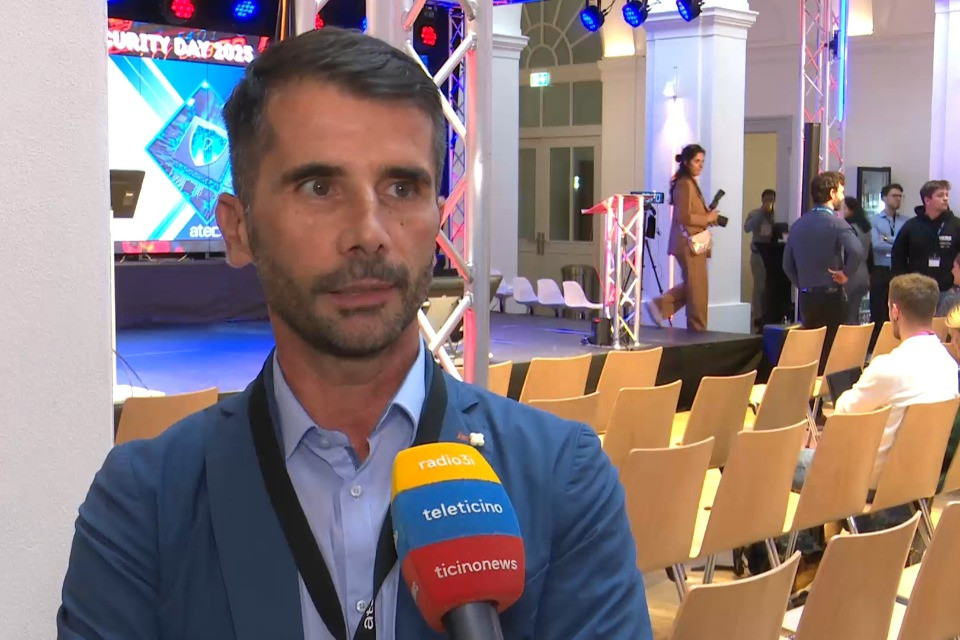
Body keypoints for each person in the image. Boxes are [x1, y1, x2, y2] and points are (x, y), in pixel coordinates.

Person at [58, 29, 653, 640]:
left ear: (437, 215)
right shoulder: (145, 503)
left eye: (401, 188)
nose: (369, 232)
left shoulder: (561, 477)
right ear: (238, 229)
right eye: (319, 188)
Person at [783, 171, 864, 367]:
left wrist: (802, 283)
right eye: (841, 192)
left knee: (812, 350)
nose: (842, 197)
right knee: (833, 352)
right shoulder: (837, 224)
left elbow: (787, 265)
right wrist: (845, 274)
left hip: (807, 297)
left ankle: (812, 384)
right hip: (832, 296)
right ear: (832, 193)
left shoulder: (798, 225)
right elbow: (857, 251)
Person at [644, 144, 721, 331]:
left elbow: (689, 215)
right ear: (686, 162)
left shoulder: (689, 183)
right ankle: (696, 329)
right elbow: (684, 217)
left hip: (691, 243)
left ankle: (661, 306)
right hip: (688, 244)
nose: (700, 165)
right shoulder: (685, 184)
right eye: (697, 161)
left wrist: (708, 218)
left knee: (694, 287)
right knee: (697, 289)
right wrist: (707, 218)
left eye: (702, 161)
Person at [892, 180, 960, 315]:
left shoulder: (956, 225)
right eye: (940, 195)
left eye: (947, 195)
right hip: (917, 291)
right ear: (927, 200)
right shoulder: (911, 226)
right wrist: (904, 283)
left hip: (948, 290)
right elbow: (898, 256)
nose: (945, 198)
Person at [870, 183, 906, 333]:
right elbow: (876, 245)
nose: (898, 199)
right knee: (879, 311)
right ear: (884, 198)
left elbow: (906, 245)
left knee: (899, 310)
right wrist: (896, 243)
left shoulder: (906, 221)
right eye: (894, 196)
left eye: (900, 196)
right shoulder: (874, 220)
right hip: (880, 270)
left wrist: (887, 238)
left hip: (899, 270)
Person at [744, 189, 777, 332]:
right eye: (766, 199)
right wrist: (761, 214)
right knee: (759, 287)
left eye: (771, 200)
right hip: (758, 255)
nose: (769, 202)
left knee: (770, 287)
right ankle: (757, 316)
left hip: (773, 254)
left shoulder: (777, 214)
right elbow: (747, 228)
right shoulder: (755, 213)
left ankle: (768, 314)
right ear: (762, 200)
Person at [841, 196, 873, 325]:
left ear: (851, 210)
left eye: (845, 208)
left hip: (851, 272)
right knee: (855, 311)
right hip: (864, 272)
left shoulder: (848, 228)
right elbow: (870, 253)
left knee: (847, 314)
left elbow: (848, 252)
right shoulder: (866, 228)